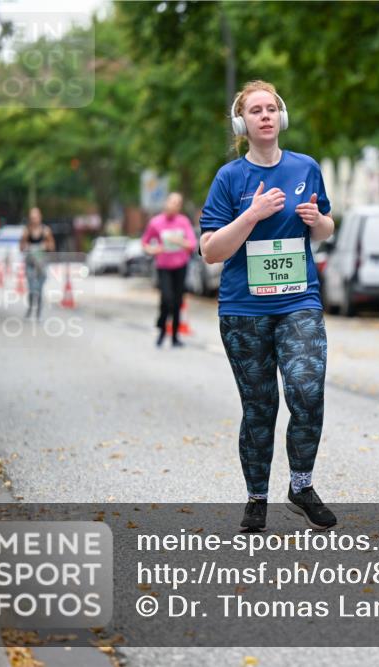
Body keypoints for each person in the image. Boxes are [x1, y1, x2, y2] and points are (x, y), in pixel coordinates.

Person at [199, 80, 336, 533]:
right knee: (260, 407)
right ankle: (256, 497)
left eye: (271, 108)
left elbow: (325, 229)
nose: (264, 116)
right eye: (255, 110)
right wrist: (252, 214)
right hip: (244, 310)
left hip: (299, 301)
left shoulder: (306, 167)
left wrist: (319, 222)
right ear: (243, 123)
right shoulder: (230, 179)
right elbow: (211, 251)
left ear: (282, 117)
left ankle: (301, 485)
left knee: (307, 390)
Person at [141, 192, 197, 347]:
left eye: (178, 203)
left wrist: (179, 241)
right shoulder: (156, 222)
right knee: (167, 299)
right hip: (163, 267)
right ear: (166, 203)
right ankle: (161, 329)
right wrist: (154, 250)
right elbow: (145, 243)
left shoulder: (183, 222)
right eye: (172, 202)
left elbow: (192, 244)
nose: (175, 205)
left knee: (178, 301)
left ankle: (175, 337)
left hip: (180, 266)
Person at [19, 207, 55, 320]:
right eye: (32, 218)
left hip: (41, 264)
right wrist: (26, 246)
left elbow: (52, 247)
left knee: (39, 289)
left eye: (36, 217)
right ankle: (30, 307)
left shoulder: (46, 231)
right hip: (30, 263)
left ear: (40, 218)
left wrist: (45, 246)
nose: (34, 220)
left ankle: (38, 311)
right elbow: (21, 247)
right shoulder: (26, 231)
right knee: (31, 288)